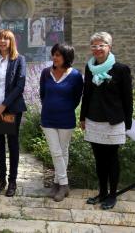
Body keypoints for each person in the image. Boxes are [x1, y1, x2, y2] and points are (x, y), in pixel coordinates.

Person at [80, 32, 133, 210]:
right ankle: (102, 192)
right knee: (99, 160)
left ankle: (112, 195)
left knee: (112, 159)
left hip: (113, 122)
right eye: (94, 45)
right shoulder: (89, 67)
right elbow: (86, 93)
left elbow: (128, 98)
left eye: (101, 45)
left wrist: (128, 122)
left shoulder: (120, 69)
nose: (97, 49)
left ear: (109, 46)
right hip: (93, 120)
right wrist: (82, 117)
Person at [0, 29, 27, 197]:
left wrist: (4, 105)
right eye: (0, 38)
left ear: (11, 42)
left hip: (12, 109)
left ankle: (12, 182)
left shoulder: (19, 60)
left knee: (13, 145)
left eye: (6, 39)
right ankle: (1, 180)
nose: (2, 41)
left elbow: (19, 86)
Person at [39, 43, 83, 202]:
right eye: (53, 54)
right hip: (48, 119)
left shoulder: (76, 75)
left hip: (66, 119)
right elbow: (42, 94)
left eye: (58, 55)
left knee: (63, 151)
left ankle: (57, 184)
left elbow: (77, 98)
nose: (54, 58)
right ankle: (64, 184)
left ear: (67, 57)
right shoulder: (45, 73)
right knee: (56, 152)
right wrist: (51, 107)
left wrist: (64, 108)